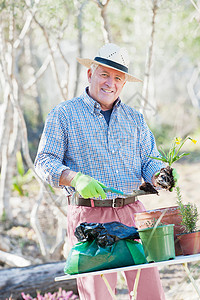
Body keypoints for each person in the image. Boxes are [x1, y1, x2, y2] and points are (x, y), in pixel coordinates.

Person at [34, 43, 174, 300]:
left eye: (118, 78)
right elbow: (44, 161)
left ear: (123, 84)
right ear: (90, 75)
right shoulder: (64, 114)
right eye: (104, 74)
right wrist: (74, 178)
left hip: (133, 214)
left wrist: (159, 174)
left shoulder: (135, 119)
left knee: (149, 292)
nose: (111, 83)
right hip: (89, 218)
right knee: (98, 295)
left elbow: (149, 160)